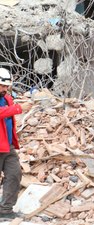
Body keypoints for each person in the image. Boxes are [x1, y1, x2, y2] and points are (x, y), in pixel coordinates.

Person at [0, 68, 33, 219]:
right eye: (2, 85)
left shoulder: (6, 98)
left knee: (14, 174)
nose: (4, 89)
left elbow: (8, 111)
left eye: (6, 86)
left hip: (7, 145)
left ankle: (5, 210)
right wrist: (18, 108)